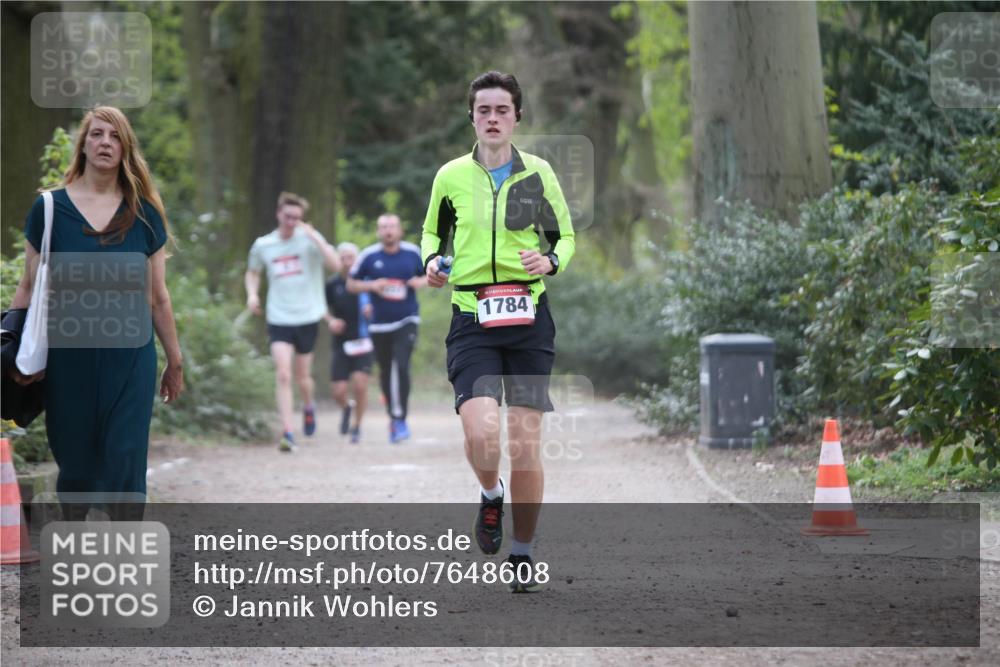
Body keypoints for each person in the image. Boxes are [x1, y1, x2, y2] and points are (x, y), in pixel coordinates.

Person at [421, 72, 575, 592]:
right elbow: (432, 233)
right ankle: (491, 495)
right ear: (472, 117)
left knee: (525, 440)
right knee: (482, 432)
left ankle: (524, 552)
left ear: (517, 117)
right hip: (472, 320)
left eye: (501, 110)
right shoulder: (450, 177)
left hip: (529, 321)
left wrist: (549, 260)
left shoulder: (539, 175)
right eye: (483, 109)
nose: (492, 118)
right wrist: (432, 262)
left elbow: (565, 236)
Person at [7, 106, 184, 513]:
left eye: (115, 136)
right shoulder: (49, 209)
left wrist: (174, 359)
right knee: (76, 463)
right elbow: (29, 285)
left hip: (131, 358)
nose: (105, 142)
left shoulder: (144, 214)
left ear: (126, 149)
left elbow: (158, 296)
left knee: (125, 457)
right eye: (97, 134)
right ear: (83, 145)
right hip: (69, 359)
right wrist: (12, 347)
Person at [245, 192, 341, 452]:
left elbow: (335, 266)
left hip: (308, 315)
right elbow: (253, 272)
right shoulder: (264, 245)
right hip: (279, 316)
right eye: (287, 217)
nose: (291, 222)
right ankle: (288, 431)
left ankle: (309, 406)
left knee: (302, 377)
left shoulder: (309, 241)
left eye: (296, 218)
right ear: (279, 214)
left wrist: (315, 236)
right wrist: (252, 294)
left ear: (302, 219)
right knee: (284, 374)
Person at [348, 214, 426, 443]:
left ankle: (399, 418)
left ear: (400, 230)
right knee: (385, 372)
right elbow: (351, 284)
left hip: (407, 319)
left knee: (400, 366)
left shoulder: (413, 253)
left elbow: (432, 277)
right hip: (379, 324)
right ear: (378, 232)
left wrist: (418, 282)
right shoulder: (369, 256)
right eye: (384, 227)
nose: (388, 231)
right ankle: (393, 416)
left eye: (392, 227)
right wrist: (372, 285)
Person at [324, 242, 373, 444]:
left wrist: (373, 311)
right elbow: (322, 308)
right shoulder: (332, 284)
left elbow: (380, 305)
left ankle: (357, 426)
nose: (346, 262)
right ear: (338, 260)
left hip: (364, 341)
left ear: (357, 260)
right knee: (338, 391)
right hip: (341, 343)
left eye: (350, 257)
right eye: (342, 257)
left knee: (360, 385)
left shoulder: (366, 283)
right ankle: (346, 407)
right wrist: (331, 321)